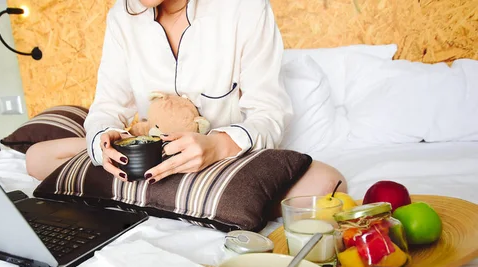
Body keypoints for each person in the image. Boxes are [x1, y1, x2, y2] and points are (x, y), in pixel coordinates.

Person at [26, 0, 347, 198]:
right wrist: (103, 142)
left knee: (328, 184)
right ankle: (158, 191)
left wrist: (217, 146)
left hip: (222, 162)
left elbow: (268, 111)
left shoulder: (245, 8)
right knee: (36, 158)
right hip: (147, 157)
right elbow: (108, 105)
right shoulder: (121, 17)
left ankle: (148, 194)